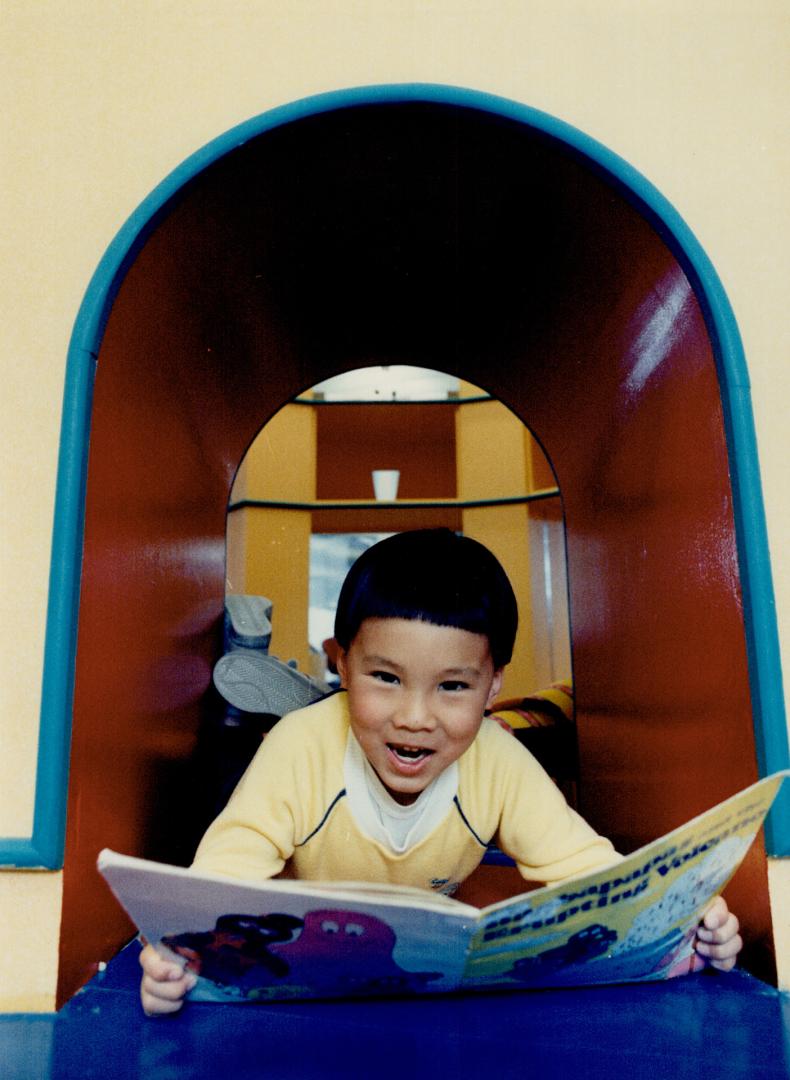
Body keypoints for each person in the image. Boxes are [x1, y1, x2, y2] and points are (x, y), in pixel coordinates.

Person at [140, 529, 742, 1014]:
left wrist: (685, 915)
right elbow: (219, 880)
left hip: (424, 982)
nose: (415, 718)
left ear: (493, 686)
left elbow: (590, 868)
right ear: (343, 665)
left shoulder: (498, 759)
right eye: (385, 678)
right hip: (311, 987)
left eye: (452, 687)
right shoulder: (300, 747)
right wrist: (173, 963)